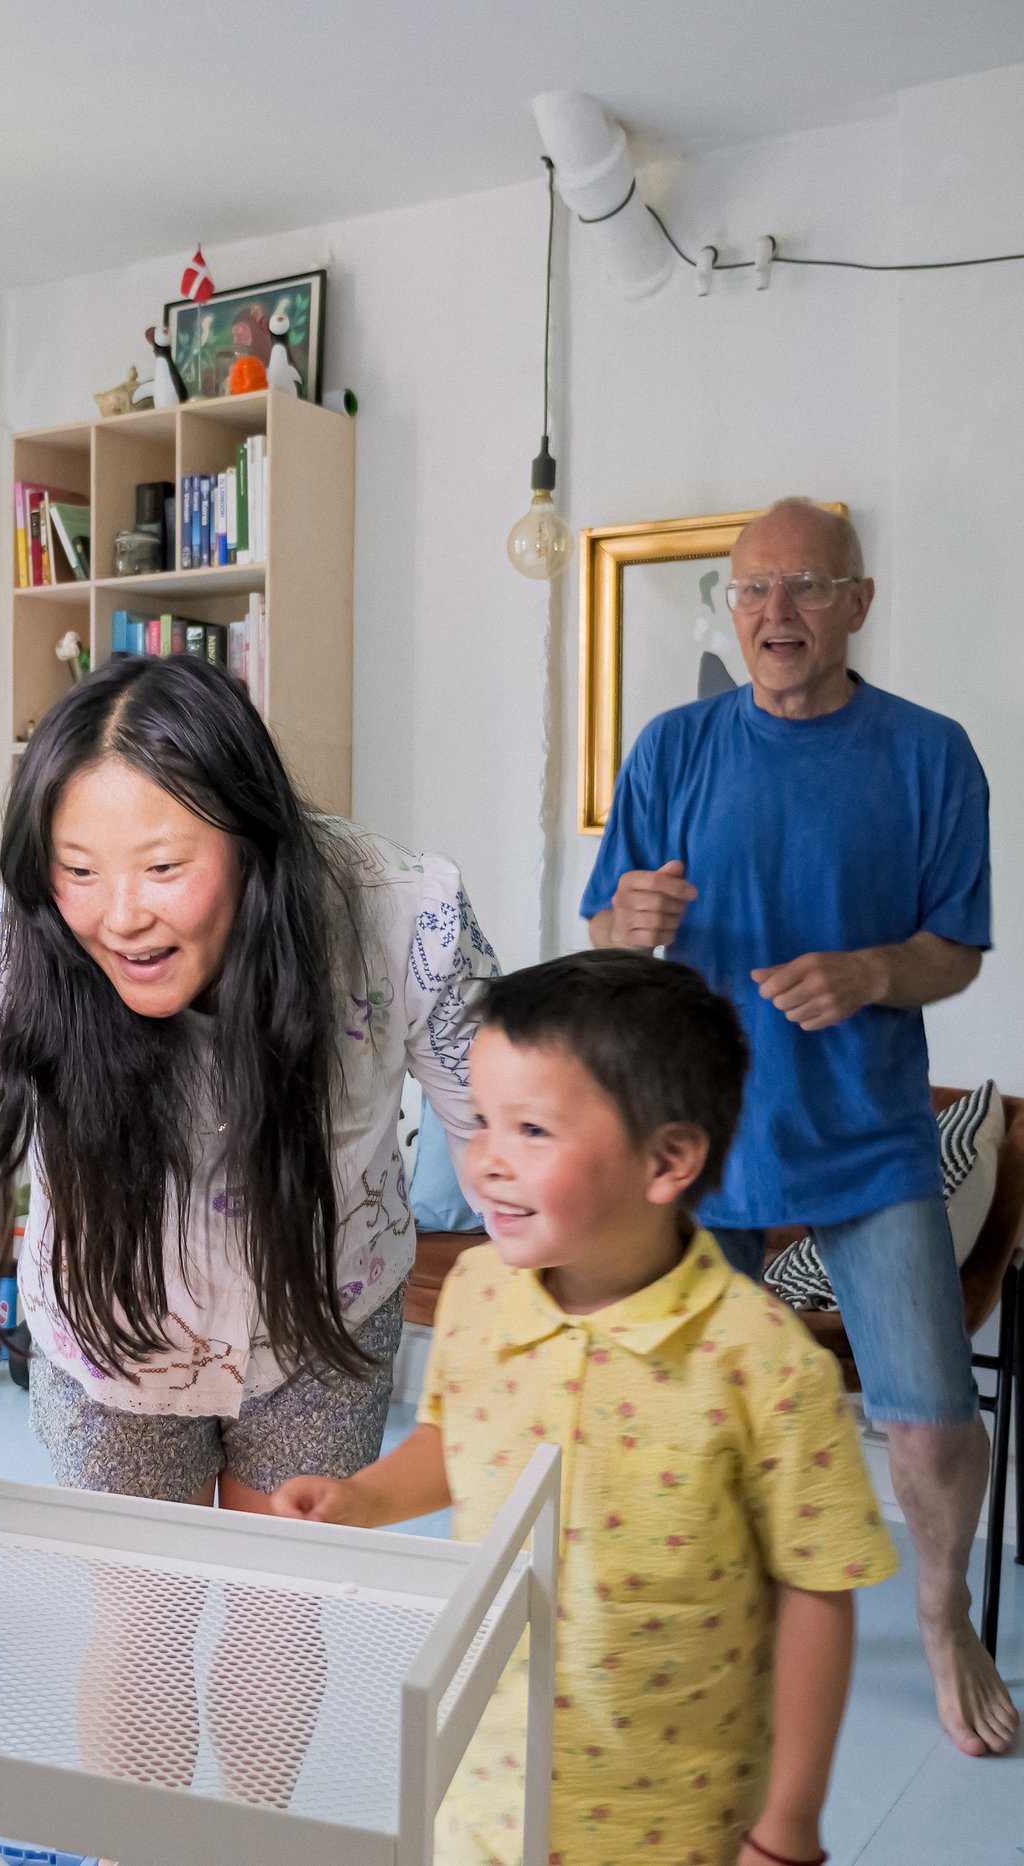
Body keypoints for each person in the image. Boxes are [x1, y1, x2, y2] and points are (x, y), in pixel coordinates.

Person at [0, 655, 498, 1811]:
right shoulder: (8, 954)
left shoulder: (392, 913)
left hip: (323, 1312)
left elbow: (513, 1118)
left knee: (281, 1602)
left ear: (252, 837)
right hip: (112, 1335)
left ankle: (246, 1839)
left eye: (165, 868)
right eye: (79, 871)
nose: (120, 917)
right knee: (141, 1608)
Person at [274, 951, 897, 1866]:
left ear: (668, 1159)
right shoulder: (480, 1292)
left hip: (676, 1816)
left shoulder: (762, 1362)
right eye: (483, 1121)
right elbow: (460, 1441)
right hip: (482, 1781)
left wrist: (789, 1826)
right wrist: (362, 1499)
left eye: (532, 1130)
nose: (486, 1161)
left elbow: (816, 1591)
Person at [579, 496, 1017, 1758]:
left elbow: (955, 952)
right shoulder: (671, 747)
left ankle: (943, 1621)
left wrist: (873, 974)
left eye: (808, 588)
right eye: (754, 590)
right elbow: (605, 924)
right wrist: (630, 923)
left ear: (858, 604)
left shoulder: (930, 755)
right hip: (694, 1134)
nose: (776, 614)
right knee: (680, 1411)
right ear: (730, 605)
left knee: (932, 1419)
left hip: (866, 1137)